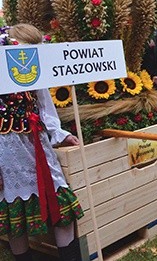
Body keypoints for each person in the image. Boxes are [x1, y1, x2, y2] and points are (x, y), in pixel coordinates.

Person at [0, 24, 83, 261]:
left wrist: (60, 134)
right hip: (5, 151)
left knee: (60, 204)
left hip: (35, 144)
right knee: (14, 211)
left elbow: (45, 106)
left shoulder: (33, 71)